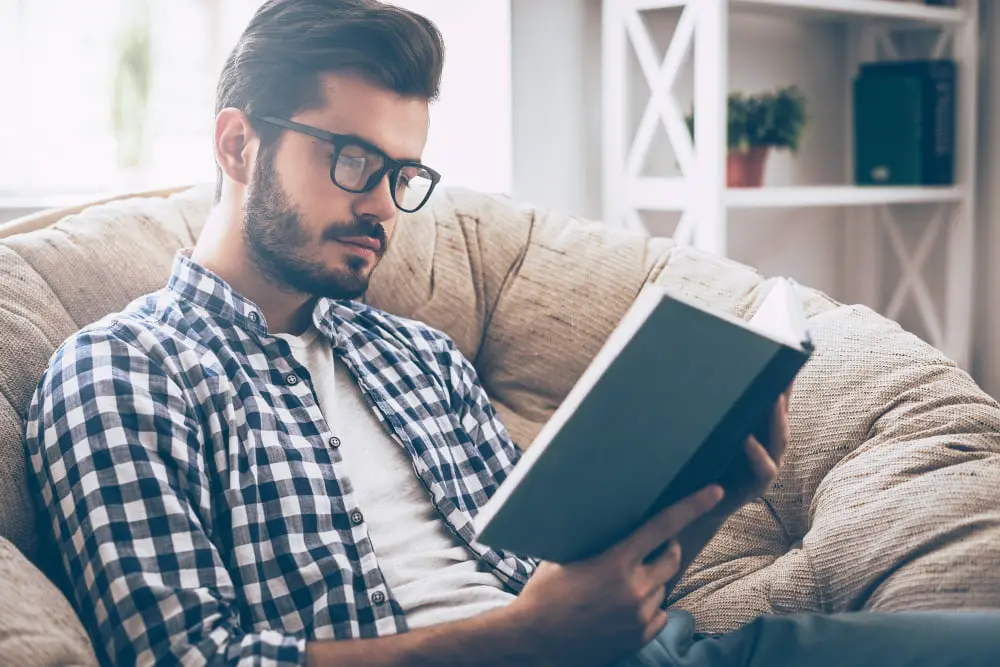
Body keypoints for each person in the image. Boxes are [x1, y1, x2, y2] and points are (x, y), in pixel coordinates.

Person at [23, 1, 1000, 666]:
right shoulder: (121, 372)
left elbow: (556, 578)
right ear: (239, 143)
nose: (384, 208)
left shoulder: (412, 354)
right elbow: (188, 657)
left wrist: (710, 494)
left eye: (403, 174)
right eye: (356, 160)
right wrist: (523, 641)